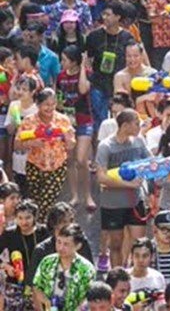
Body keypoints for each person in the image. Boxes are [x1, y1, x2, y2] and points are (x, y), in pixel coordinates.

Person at [95, 108, 151, 267]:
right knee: (116, 245)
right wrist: (128, 184)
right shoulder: (106, 146)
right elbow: (101, 177)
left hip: (135, 201)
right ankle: (117, 275)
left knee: (139, 243)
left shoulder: (139, 141)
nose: (140, 126)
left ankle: (135, 274)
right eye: (136, 123)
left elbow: (150, 162)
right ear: (125, 125)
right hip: (113, 203)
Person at [14, 88, 75, 222]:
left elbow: (71, 146)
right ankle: (38, 229)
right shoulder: (29, 121)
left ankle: (40, 228)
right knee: (35, 201)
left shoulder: (63, 120)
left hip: (56, 167)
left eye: (53, 104)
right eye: (46, 104)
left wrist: (68, 138)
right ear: (38, 104)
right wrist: (31, 143)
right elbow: (17, 144)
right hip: (34, 166)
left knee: (46, 202)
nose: (50, 107)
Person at [56, 45, 95, 210]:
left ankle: (88, 195)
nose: (62, 62)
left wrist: (83, 68)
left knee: (81, 160)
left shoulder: (86, 74)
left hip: (84, 120)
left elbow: (83, 89)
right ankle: (74, 195)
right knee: (70, 160)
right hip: (67, 122)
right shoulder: (60, 77)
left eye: (64, 60)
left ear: (73, 62)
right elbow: (58, 97)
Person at [86, 1, 134, 132]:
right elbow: (88, 59)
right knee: (99, 121)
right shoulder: (94, 36)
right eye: (104, 14)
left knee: (119, 119)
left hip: (118, 84)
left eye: (108, 14)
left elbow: (132, 58)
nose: (105, 17)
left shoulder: (127, 37)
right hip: (98, 83)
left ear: (118, 17)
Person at [32, 224, 95, 311]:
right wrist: (46, 303)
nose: (61, 248)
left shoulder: (86, 269)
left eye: (66, 244)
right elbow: (37, 286)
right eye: (59, 242)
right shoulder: (47, 262)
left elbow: (88, 298)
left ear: (78, 246)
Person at [1, 199, 49, 310]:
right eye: (20, 218)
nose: (24, 222)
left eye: (28, 218)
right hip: (16, 283)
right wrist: (6, 266)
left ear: (35, 218)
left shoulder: (44, 232)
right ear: (15, 218)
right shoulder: (10, 234)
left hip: (41, 282)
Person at [28, 202, 93, 285]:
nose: (70, 224)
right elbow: (31, 283)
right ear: (54, 224)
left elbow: (90, 274)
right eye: (64, 221)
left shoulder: (81, 242)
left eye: (72, 220)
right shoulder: (41, 250)